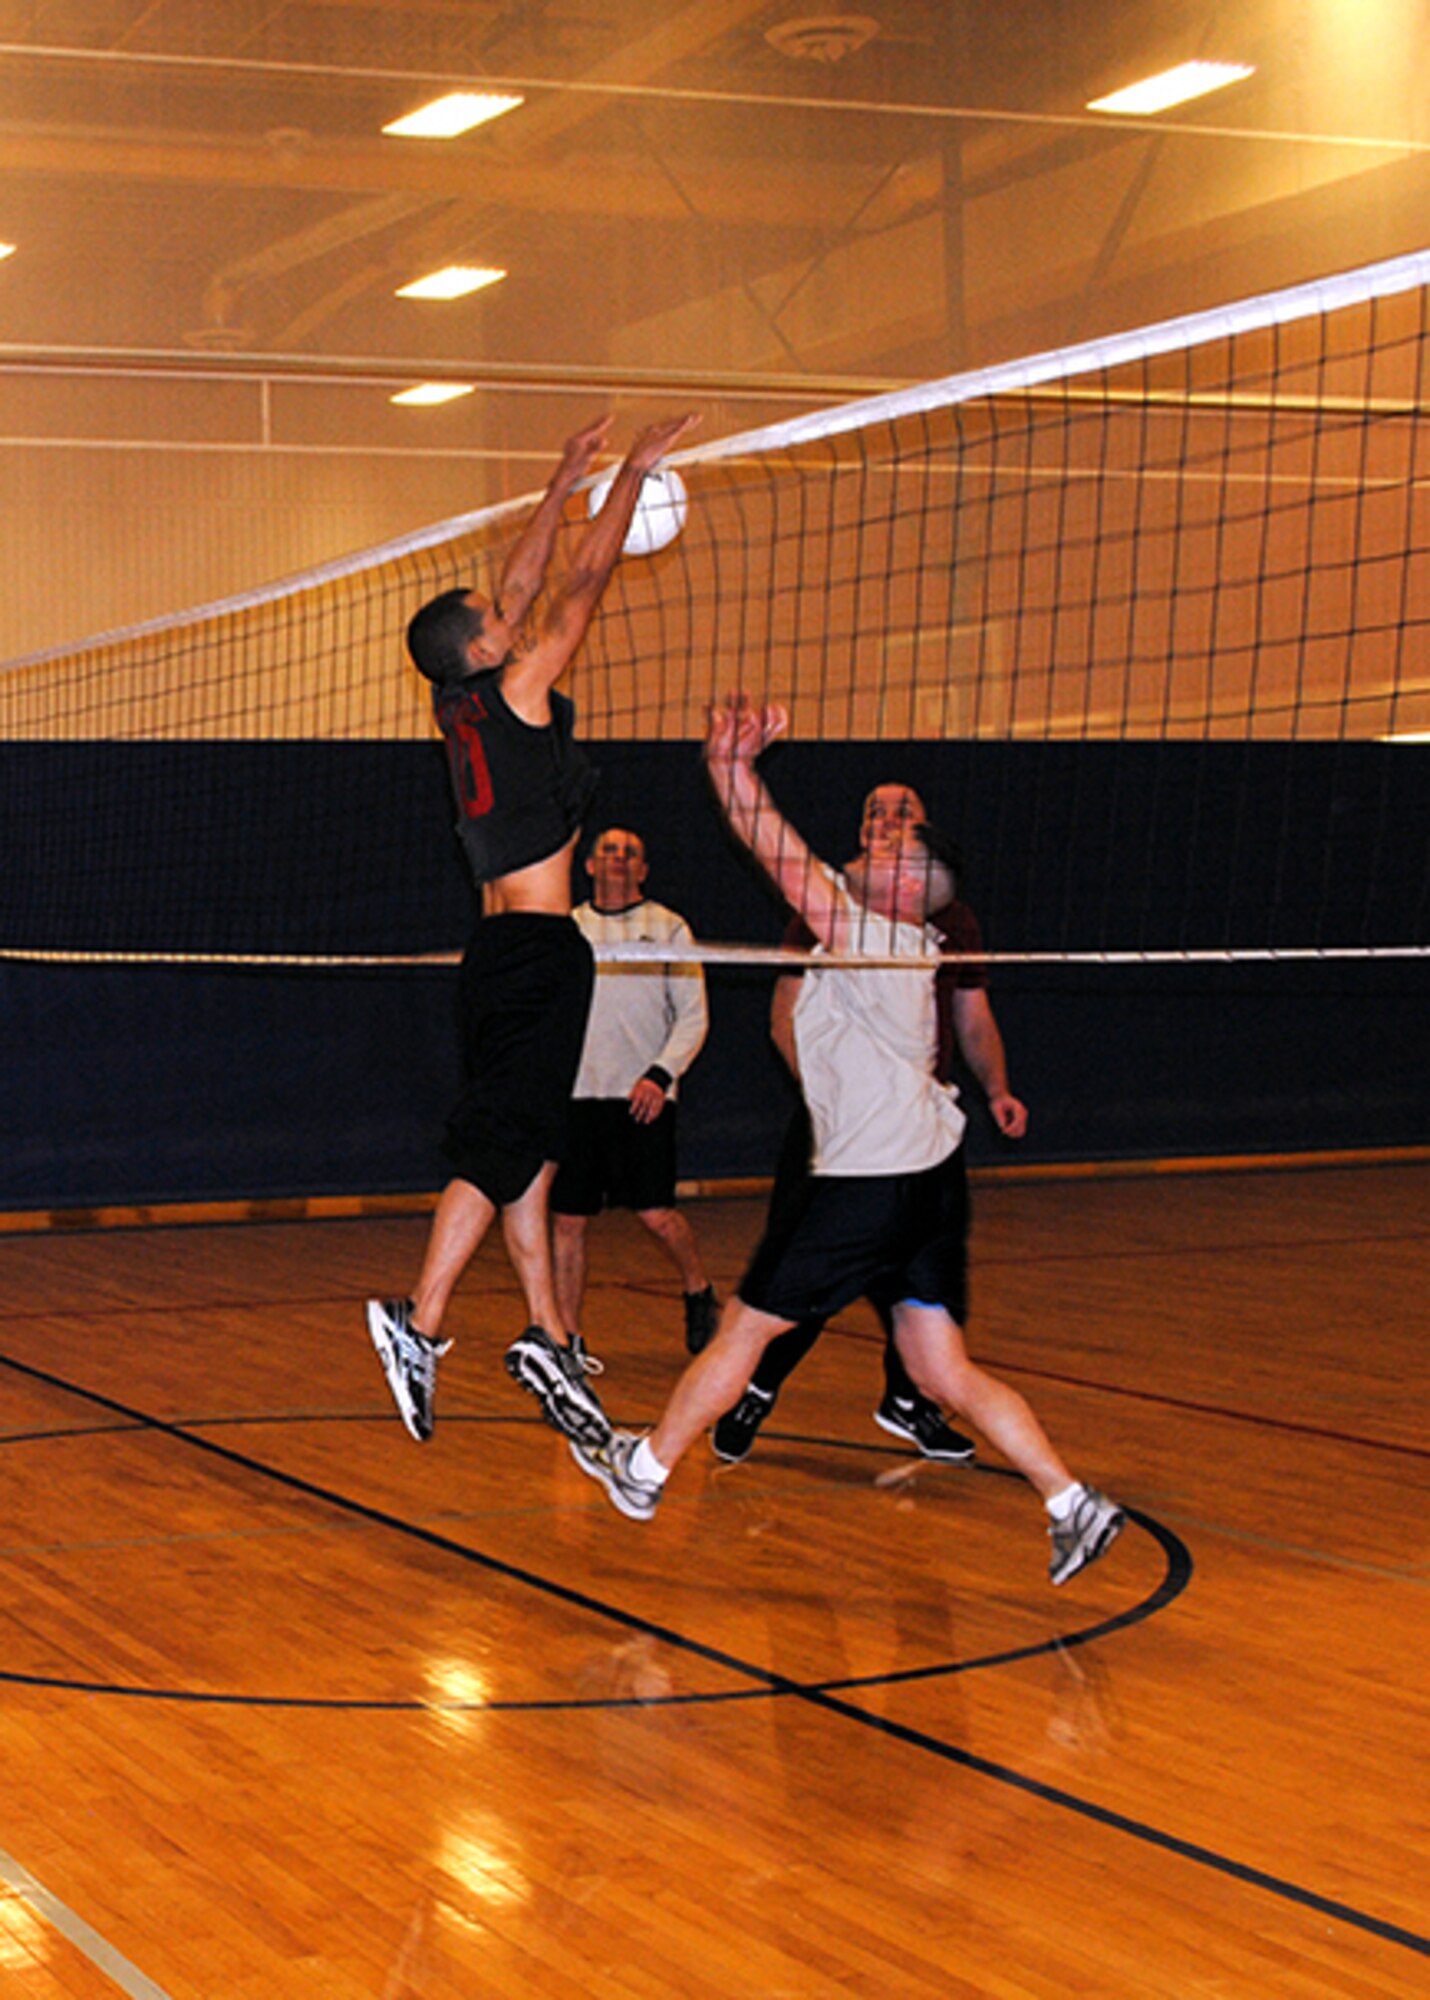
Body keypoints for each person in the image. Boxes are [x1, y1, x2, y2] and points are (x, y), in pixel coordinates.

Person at [568, 694, 1125, 1587]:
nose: (873, 846)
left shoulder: (871, 931)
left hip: (869, 1182)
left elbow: (779, 855)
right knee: (943, 1370)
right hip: (930, 1175)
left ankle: (643, 1472)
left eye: (893, 847)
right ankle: (1070, 1501)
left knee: (747, 1331)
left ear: (911, 887)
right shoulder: (901, 944)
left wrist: (729, 770)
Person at [365, 409, 699, 1447]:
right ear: (482, 647)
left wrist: (562, 475)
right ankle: (417, 1320)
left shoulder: (459, 703)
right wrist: (631, 481)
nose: (510, 613)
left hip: (495, 960)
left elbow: (517, 590)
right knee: (500, 1144)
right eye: (493, 618)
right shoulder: (513, 689)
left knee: (529, 1151)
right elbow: (574, 593)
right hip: (541, 956)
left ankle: (548, 1332)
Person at [712, 780, 1028, 1465]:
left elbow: (972, 1016)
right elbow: (782, 1015)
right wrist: (834, 1104)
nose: (885, 824)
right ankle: (755, 1392)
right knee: (798, 1276)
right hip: (846, 1129)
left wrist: (997, 1087)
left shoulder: (951, 922)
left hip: (921, 1128)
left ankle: (910, 1399)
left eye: (902, 815)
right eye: (874, 814)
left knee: (935, 1278)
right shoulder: (829, 909)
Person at [550, 826, 719, 1355]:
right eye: (609, 851)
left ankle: (698, 1288)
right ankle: (568, 1339)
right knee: (568, 1220)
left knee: (656, 1215)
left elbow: (693, 1017)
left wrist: (660, 1075)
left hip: (642, 1096)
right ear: (590, 866)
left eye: (631, 853)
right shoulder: (567, 929)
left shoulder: (669, 929)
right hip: (577, 1097)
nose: (619, 859)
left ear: (643, 870)